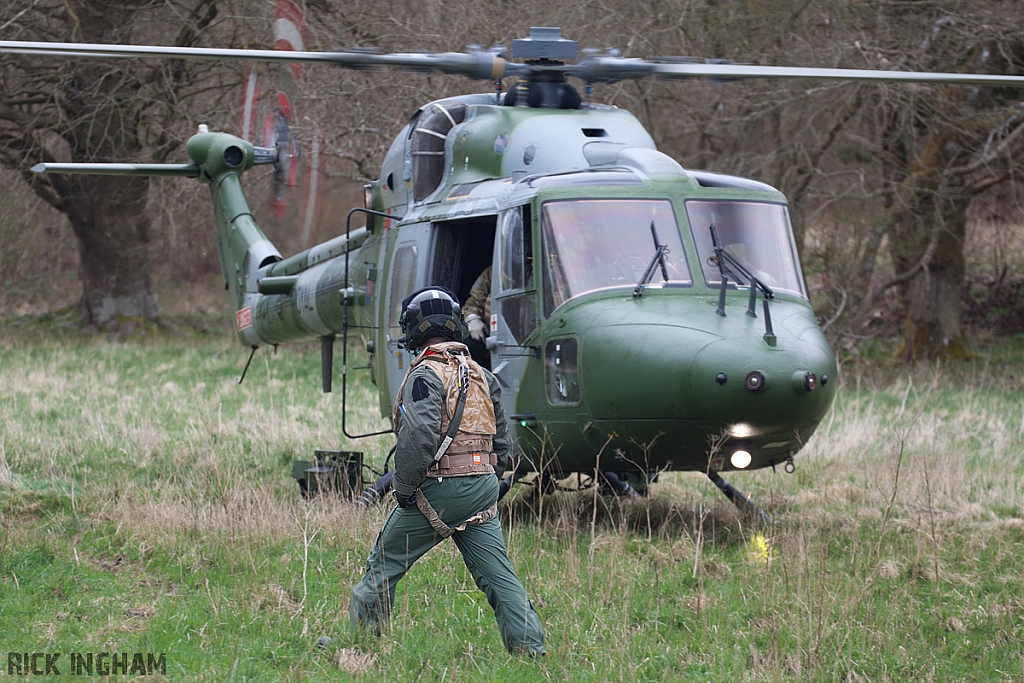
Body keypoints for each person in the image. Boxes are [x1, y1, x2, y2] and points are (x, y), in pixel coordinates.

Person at [349, 287, 546, 656]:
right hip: (483, 488)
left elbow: (419, 437)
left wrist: (404, 488)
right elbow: (502, 442)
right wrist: (488, 479)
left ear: (415, 329)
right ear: (453, 325)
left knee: (384, 563)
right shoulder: (482, 375)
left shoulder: (425, 375)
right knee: (498, 577)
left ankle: (359, 649)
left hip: (439, 491)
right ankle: (530, 651)